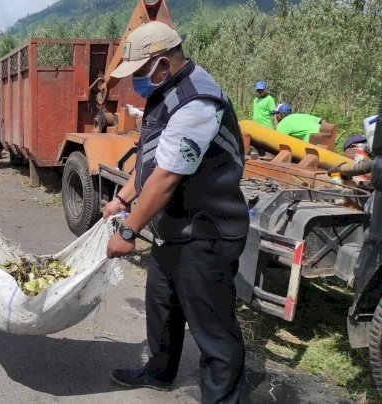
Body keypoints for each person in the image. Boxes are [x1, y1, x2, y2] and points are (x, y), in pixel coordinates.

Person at [104, 22, 249, 403]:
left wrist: (129, 232)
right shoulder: (166, 91)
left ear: (163, 64)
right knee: (163, 303)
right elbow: (152, 158)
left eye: (138, 72)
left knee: (213, 329)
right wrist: (122, 199)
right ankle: (159, 372)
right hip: (175, 226)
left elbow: (167, 177)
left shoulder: (198, 102)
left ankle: (221, 398)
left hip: (207, 230)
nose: (135, 81)